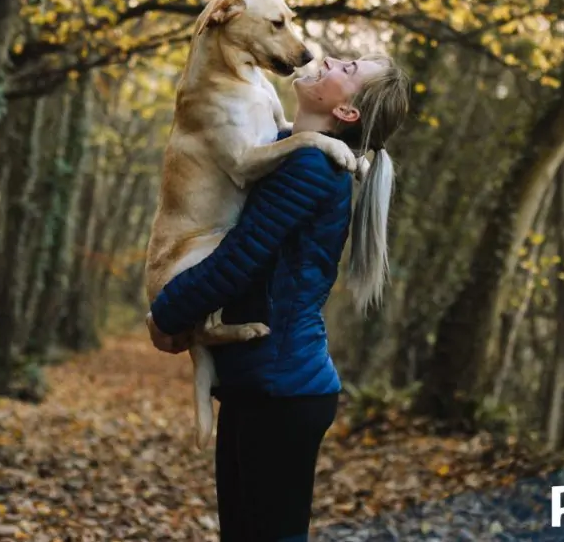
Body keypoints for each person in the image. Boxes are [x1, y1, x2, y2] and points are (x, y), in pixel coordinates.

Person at [146, 54, 411, 541]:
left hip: (284, 391)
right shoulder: (289, 151)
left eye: (348, 69)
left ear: (348, 112)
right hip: (262, 388)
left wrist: (166, 314)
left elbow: (240, 258)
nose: (329, 58)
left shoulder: (311, 164)